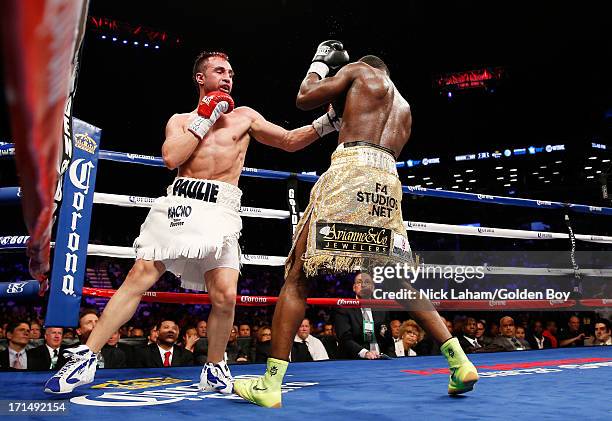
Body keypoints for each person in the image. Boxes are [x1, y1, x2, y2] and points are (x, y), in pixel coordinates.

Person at [44, 50, 331, 395]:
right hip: (180, 205)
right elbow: (171, 158)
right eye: (220, 71)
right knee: (141, 275)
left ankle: (214, 366)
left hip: (222, 211)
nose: (228, 77)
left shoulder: (245, 118)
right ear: (200, 78)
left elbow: (287, 141)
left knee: (225, 295)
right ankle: (87, 358)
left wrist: (329, 121)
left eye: (231, 73)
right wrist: (205, 118)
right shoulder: (180, 120)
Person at [234, 41, 479, 408]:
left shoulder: (361, 71)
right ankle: (459, 362)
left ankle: (270, 384)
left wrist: (320, 64)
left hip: (353, 171)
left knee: (299, 274)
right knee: (401, 282)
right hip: (388, 181)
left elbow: (304, 96)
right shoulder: (405, 108)